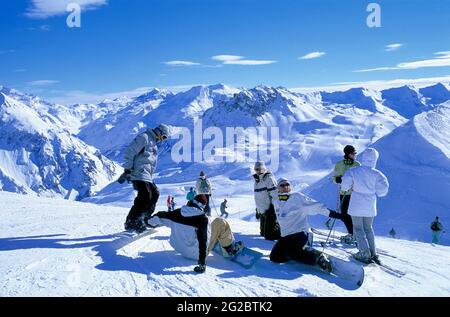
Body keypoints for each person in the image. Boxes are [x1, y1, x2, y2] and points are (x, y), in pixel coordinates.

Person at [147, 194, 243, 273]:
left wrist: (146, 221)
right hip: (195, 254)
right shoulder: (202, 218)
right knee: (220, 222)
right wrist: (202, 263)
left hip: (181, 250)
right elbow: (203, 240)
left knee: (207, 227)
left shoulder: (176, 213)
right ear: (203, 206)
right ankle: (230, 250)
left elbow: (160, 216)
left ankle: (217, 239)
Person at [270, 177, 334, 273]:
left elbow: (314, 206)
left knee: (291, 252)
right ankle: (299, 254)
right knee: (275, 257)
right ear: (278, 188)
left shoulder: (296, 197)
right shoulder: (276, 201)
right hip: (286, 236)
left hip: (300, 233)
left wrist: (330, 213)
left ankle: (318, 258)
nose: (285, 187)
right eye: (282, 185)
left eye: (287, 185)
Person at [341, 148, 389, 264]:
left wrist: (349, 187)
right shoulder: (378, 174)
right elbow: (382, 191)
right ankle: (373, 253)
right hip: (370, 205)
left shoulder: (353, 171)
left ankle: (364, 253)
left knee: (358, 229)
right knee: (368, 228)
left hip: (356, 203)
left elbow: (344, 186)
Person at [123, 124, 170, 233]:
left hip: (147, 175)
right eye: (163, 137)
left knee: (155, 193)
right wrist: (128, 169)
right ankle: (132, 222)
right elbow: (130, 151)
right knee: (145, 196)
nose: (162, 140)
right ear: (159, 132)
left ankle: (144, 219)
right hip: (138, 172)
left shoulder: (153, 143)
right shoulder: (144, 137)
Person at [328, 145, 361, 244]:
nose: (354, 155)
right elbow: (334, 179)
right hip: (343, 193)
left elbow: (360, 179)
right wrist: (337, 179)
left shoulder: (357, 164)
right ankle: (351, 233)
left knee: (353, 214)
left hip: (354, 193)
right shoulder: (339, 164)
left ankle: (355, 234)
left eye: (355, 153)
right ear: (347, 154)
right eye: (352, 153)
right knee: (344, 214)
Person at [253, 161, 280, 241]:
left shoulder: (268, 178)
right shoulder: (257, 181)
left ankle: (286, 232)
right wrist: (257, 210)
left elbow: (275, 195)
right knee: (263, 233)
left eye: (260, 169)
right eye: (256, 169)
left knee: (269, 236)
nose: (258, 171)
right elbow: (258, 197)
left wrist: (273, 208)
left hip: (270, 211)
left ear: (264, 169)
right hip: (262, 211)